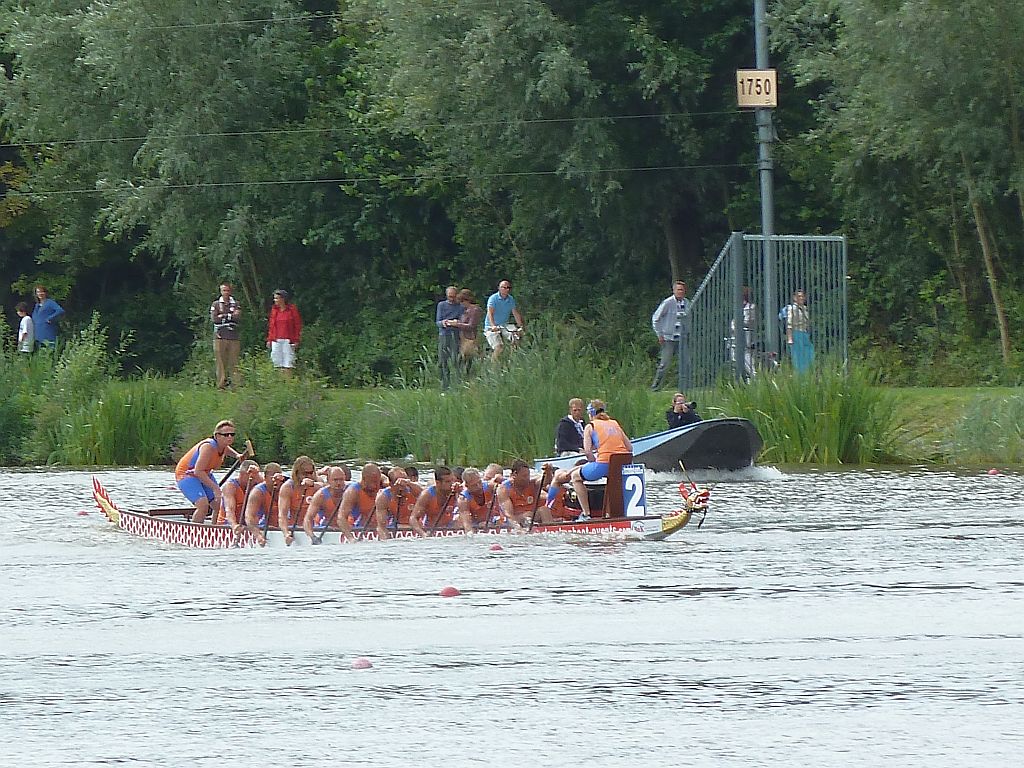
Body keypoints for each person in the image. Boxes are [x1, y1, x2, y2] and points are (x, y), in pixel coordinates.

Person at [569, 400, 633, 520]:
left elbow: (587, 452)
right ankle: (611, 513)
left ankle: (586, 514)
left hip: (604, 463)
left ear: (591, 413)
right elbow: (629, 448)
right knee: (612, 479)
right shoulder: (615, 423)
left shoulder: (590, 426)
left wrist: (593, 462)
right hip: (622, 464)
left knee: (575, 477)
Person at [174, 420, 246, 524]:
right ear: (217, 436)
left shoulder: (222, 445)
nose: (229, 437)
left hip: (204, 473)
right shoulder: (208, 447)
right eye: (226, 435)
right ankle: (195, 530)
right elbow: (198, 471)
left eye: (232, 434)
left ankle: (215, 528)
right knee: (203, 505)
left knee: (219, 504)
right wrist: (215, 488)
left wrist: (237, 455)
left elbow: (226, 449)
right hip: (187, 474)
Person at [650, 280, 690, 390]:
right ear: (674, 291)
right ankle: (656, 387)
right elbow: (656, 318)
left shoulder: (687, 303)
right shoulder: (668, 303)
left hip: (681, 338)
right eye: (678, 290)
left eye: (682, 290)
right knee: (665, 363)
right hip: (668, 338)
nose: (680, 292)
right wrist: (659, 334)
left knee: (686, 362)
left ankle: (685, 386)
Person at [278, 456, 319, 546]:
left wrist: (314, 485)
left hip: (316, 527)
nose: (309, 476)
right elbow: (282, 515)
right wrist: (286, 534)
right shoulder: (288, 488)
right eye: (305, 473)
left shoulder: (317, 484)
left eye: (311, 473)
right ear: (297, 473)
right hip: (296, 527)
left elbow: (329, 489)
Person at [337, 462, 385, 540]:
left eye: (378, 482)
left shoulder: (382, 487)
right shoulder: (353, 491)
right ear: (364, 479)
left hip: (377, 529)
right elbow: (341, 517)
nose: (376, 486)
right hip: (357, 528)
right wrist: (350, 538)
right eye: (373, 482)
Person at [496, 459, 545, 531]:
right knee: (528, 515)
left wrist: (548, 472)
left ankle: (551, 530)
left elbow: (546, 481)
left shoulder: (533, 483)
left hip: (531, 517)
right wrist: (519, 529)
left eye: (528, 475)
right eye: (524, 476)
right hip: (513, 520)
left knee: (544, 510)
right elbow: (509, 515)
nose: (527, 479)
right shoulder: (503, 489)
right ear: (514, 475)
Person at [303, 466, 348, 542]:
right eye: (335, 480)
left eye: (341, 480)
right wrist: (312, 537)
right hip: (328, 528)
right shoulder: (320, 495)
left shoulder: (351, 491)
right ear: (328, 481)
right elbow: (308, 519)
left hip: (349, 527)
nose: (339, 483)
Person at [375, 466, 422, 539]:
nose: (402, 487)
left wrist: (409, 483)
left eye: (404, 483)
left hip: (416, 527)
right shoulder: (383, 497)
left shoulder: (414, 490)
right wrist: (386, 541)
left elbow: (425, 493)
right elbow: (381, 527)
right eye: (398, 484)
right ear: (390, 484)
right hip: (394, 527)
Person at [410, 466, 458, 537]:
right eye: (448, 482)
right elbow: (413, 518)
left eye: (453, 480)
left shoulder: (457, 491)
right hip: (431, 528)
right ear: (438, 483)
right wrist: (423, 534)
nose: (452, 484)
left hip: (450, 526)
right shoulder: (427, 495)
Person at [243, 462, 284, 546]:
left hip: (282, 527)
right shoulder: (257, 492)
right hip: (263, 526)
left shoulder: (285, 488)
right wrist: (258, 536)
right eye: (273, 478)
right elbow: (249, 516)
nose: (276, 481)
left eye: (278, 478)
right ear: (265, 478)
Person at [483, 280, 525, 362]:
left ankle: (512, 360)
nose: (506, 289)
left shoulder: (510, 299)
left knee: (516, 337)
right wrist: (493, 326)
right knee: (499, 347)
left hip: (504, 325)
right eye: (504, 287)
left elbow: (515, 313)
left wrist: (520, 326)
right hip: (491, 326)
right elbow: (490, 313)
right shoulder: (493, 298)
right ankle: (493, 365)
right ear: (499, 288)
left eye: (508, 288)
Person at [210, 282, 242, 389]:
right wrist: (229, 316)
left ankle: (236, 386)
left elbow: (237, 317)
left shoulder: (235, 303)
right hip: (219, 336)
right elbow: (214, 319)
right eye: (224, 290)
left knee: (234, 362)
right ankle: (221, 386)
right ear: (220, 291)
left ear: (230, 291)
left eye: (227, 290)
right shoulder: (216, 304)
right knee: (220, 362)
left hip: (233, 337)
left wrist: (223, 316)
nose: (226, 293)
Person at [267, 289, 302, 377]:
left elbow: (297, 325)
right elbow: (271, 325)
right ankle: (280, 380)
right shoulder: (274, 310)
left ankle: (288, 381)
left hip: (288, 340)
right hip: (276, 339)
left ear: (283, 299)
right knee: (277, 362)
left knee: (288, 362)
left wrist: (296, 339)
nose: (275, 300)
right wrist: (270, 339)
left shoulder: (292, 310)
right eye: (274, 298)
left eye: (277, 298)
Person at [435, 286, 464, 390]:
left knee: (455, 359)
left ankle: (457, 383)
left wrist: (457, 323)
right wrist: (444, 323)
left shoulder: (460, 307)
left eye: (453, 296)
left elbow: (463, 321)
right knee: (443, 359)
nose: (452, 299)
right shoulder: (441, 305)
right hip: (444, 334)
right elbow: (438, 322)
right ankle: (444, 384)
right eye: (450, 296)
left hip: (455, 334)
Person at [220, 459, 261, 530]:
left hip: (247, 524)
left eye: (256, 477)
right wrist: (234, 525)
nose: (255, 480)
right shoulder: (230, 487)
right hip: (227, 525)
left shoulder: (257, 484)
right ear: (242, 474)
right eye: (252, 477)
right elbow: (230, 509)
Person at [454, 467, 498, 533]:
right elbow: (467, 524)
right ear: (467, 485)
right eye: (474, 485)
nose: (479, 487)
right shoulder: (463, 499)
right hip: (476, 524)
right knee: (458, 520)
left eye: (480, 482)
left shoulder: (490, 487)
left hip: (493, 521)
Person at [452, 288, 483, 376]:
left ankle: (470, 378)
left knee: (468, 361)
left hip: (471, 339)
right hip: (464, 339)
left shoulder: (475, 310)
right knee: (462, 361)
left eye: (462, 302)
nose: (461, 304)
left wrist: (457, 324)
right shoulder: (466, 310)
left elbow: (471, 326)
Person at [783, 289, 814, 373]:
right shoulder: (792, 308)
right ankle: (800, 374)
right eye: (799, 296)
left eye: (802, 296)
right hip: (796, 333)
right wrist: (790, 338)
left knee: (809, 355)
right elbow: (789, 324)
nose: (801, 298)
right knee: (798, 356)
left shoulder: (805, 308)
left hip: (805, 334)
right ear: (794, 298)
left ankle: (807, 373)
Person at [729, 286, 756, 380]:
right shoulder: (739, 306)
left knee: (746, 355)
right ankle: (738, 378)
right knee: (734, 356)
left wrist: (737, 324)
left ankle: (754, 375)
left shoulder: (751, 307)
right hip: (735, 334)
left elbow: (749, 321)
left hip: (745, 334)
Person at [31, 285, 65, 351]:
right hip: (38, 332)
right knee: (40, 351)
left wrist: (50, 318)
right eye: (38, 292)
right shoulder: (37, 305)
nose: (40, 294)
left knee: (50, 349)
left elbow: (60, 310)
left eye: (42, 291)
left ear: (45, 293)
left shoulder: (50, 302)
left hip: (48, 331)